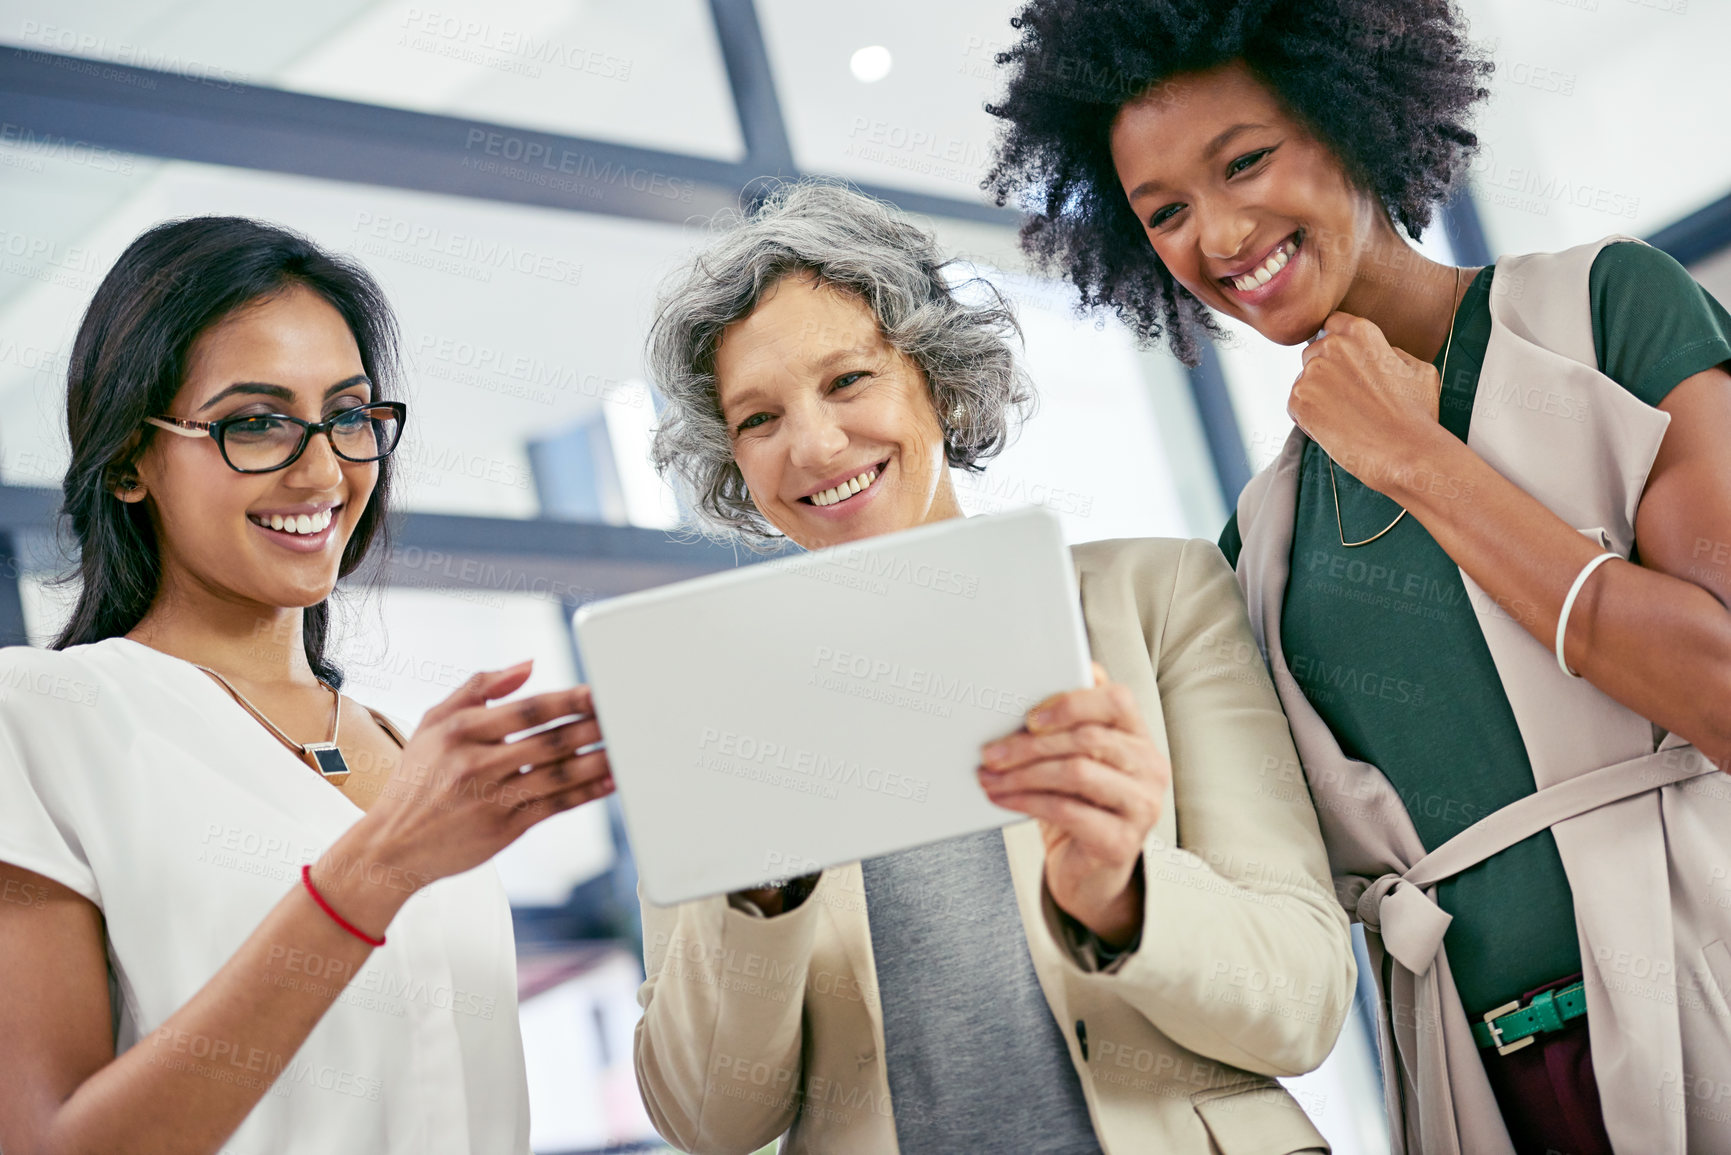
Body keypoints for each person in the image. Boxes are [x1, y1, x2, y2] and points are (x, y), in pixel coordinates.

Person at [984, 3, 1731, 1153]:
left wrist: (1416, 458)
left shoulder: (1600, 313)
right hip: (1486, 1086)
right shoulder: (1263, 547)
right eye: (1167, 212)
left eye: (1246, 161)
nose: (1221, 233)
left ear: (1349, 115)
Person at [630, 180, 1354, 1155]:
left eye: (849, 381)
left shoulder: (1158, 600)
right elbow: (708, 1118)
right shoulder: (719, 717)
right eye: (758, 419)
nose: (813, 443)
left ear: (937, 377)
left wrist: (1122, 897)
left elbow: (1302, 1001)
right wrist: (760, 888)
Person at [0, 217, 615, 1155]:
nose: (325, 469)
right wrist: (376, 870)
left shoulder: (408, 749)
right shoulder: (42, 719)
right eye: (255, 421)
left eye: (350, 416)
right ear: (128, 458)